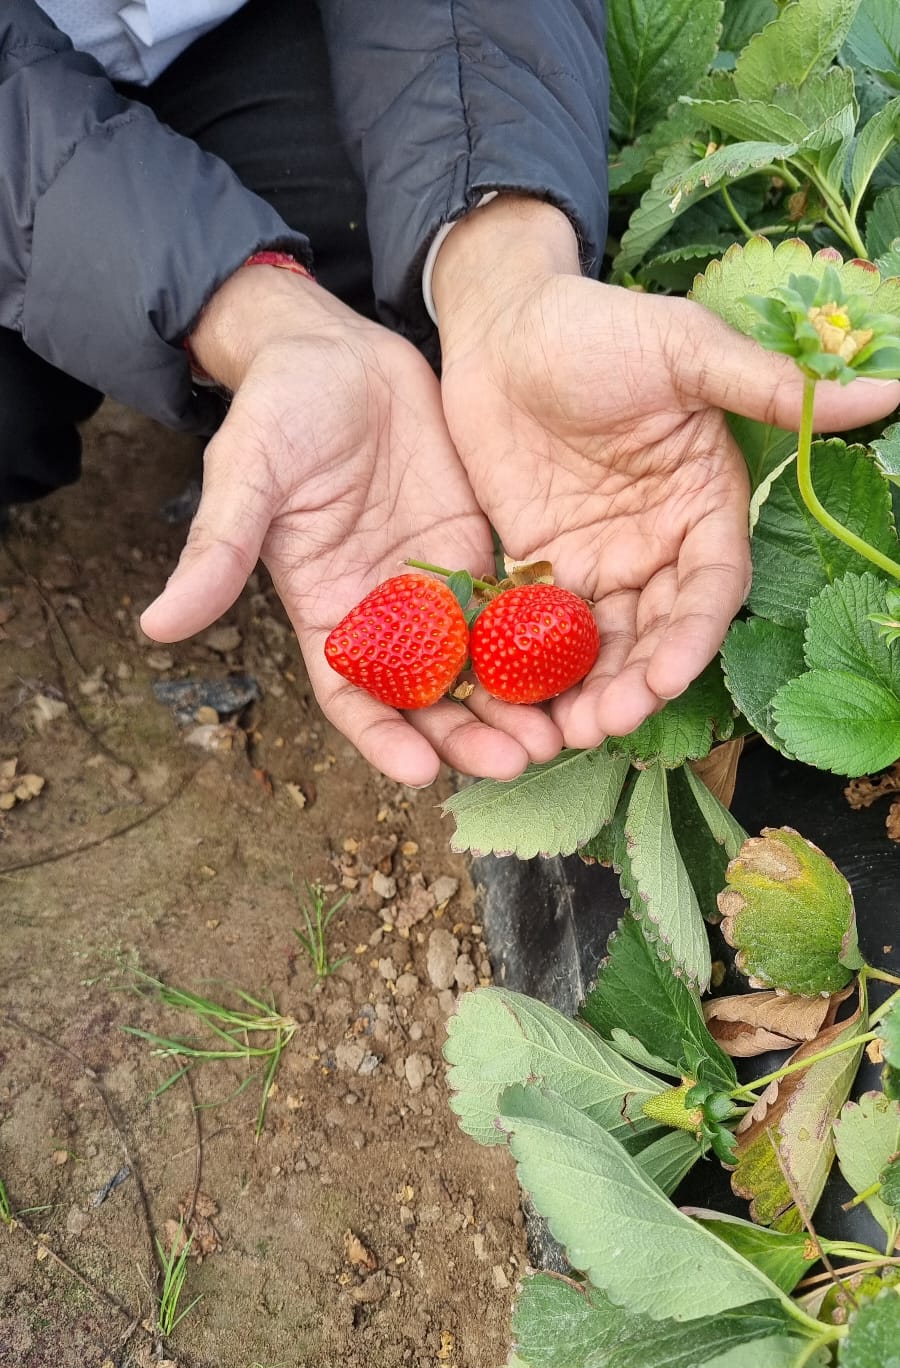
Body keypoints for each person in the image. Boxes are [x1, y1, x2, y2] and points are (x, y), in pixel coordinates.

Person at [4, 2, 898, 788]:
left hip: (254, 29)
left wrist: (499, 270)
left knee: (403, 304)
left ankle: (254, 354)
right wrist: (232, 311)